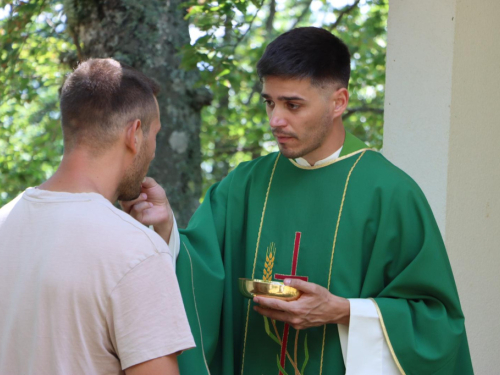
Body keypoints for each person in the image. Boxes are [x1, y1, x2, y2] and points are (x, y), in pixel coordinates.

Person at [128, 28, 473, 374]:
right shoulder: (245, 184)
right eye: (269, 102)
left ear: (338, 102)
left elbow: (436, 323)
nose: (276, 120)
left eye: (293, 105)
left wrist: (342, 310)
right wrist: (166, 225)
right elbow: (198, 268)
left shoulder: (389, 192)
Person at [0, 59, 194, 375]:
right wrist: (152, 248)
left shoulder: (4, 223)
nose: (154, 150)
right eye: (154, 134)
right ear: (135, 134)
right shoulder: (136, 252)